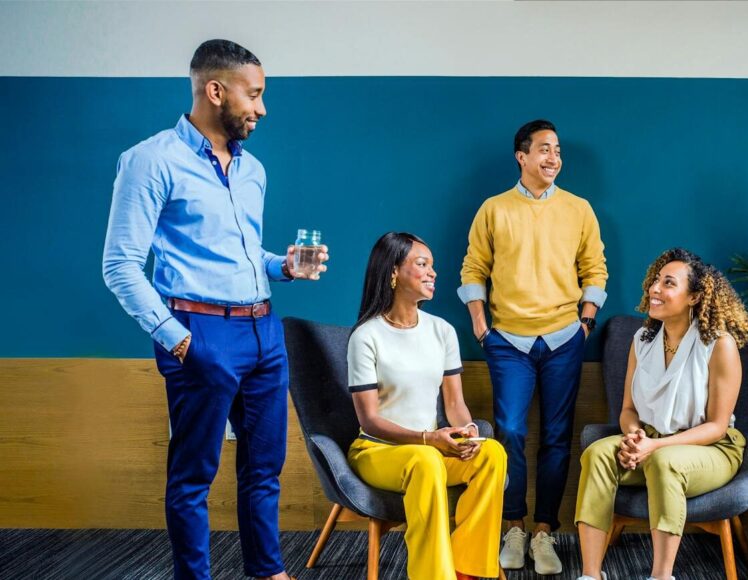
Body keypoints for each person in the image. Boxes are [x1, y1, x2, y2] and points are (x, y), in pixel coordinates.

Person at [102, 40, 327, 580]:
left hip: (264, 332)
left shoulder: (254, 171)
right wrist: (176, 339)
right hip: (198, 331)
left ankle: (266, 571)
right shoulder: (150, 160)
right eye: (255, 95)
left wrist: (284, 265)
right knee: (193, 476)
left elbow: (243, 253)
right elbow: (119, 265)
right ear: (216, 90)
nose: (262, 108)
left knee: (265, 468)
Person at [458, 119, 609, 574]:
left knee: (558, 438)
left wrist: (585, 322)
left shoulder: (579, 208)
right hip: (507, 340)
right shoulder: (493, 209)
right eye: (544, 149)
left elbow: (595, 268)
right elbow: (473, 268)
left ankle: (544, 531)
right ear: (521, 156)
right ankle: (513, 526)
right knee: (510, 433)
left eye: (558, 150)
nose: (553, 158)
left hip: (565, 338)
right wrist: (482, 326)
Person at [574, 248, 748, 580]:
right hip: (650, 443)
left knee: (664, 461)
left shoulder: (719, 344)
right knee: (597, 454)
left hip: (710, 449)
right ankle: (590, 574)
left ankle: (661, 576)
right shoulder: (641, 340)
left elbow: (716, 426)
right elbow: (628, 410)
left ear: (694, 296)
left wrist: (653, 448)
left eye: (668, 283)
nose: (655, 289)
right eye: (656, 280)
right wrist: (634, 436)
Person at [347, 232, 508, 580]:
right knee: (426, 461)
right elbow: (370, 420)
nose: (433, 273)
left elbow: (455, 403)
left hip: (430, 449)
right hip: (379, 451)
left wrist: (467, 432)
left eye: (432, 266)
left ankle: (466, 569)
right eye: (422, 265)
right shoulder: (366, 337)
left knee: (492, 454)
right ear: (393, 272)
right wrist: (428, 439)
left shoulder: (443, 331)